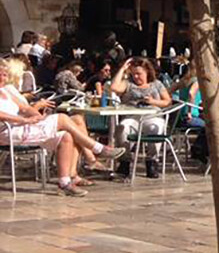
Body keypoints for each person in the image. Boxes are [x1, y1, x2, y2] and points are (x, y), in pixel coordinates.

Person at [0, 58, 123, 196]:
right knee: (63, 118)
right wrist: (23, 120)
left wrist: (38, 117)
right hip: (7, 131)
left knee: (66, 136)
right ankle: (96, 149)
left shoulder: (6, 91)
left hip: (21, 127)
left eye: (4, 74)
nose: (2, 77)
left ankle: (65, 182)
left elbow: (25, 108)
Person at [111, 58, 173, 178]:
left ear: (147, 72)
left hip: (152, 115)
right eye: (133, 73)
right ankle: (124, 162)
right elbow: (114, 87)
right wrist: (122, 69)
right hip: (132, 116)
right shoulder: (128, 84)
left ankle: (152, 162)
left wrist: (153, 101)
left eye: (139, 74)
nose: (136, 76)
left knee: (156, 127)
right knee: (122, 128)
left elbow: (167, 101)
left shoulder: (156, 84)